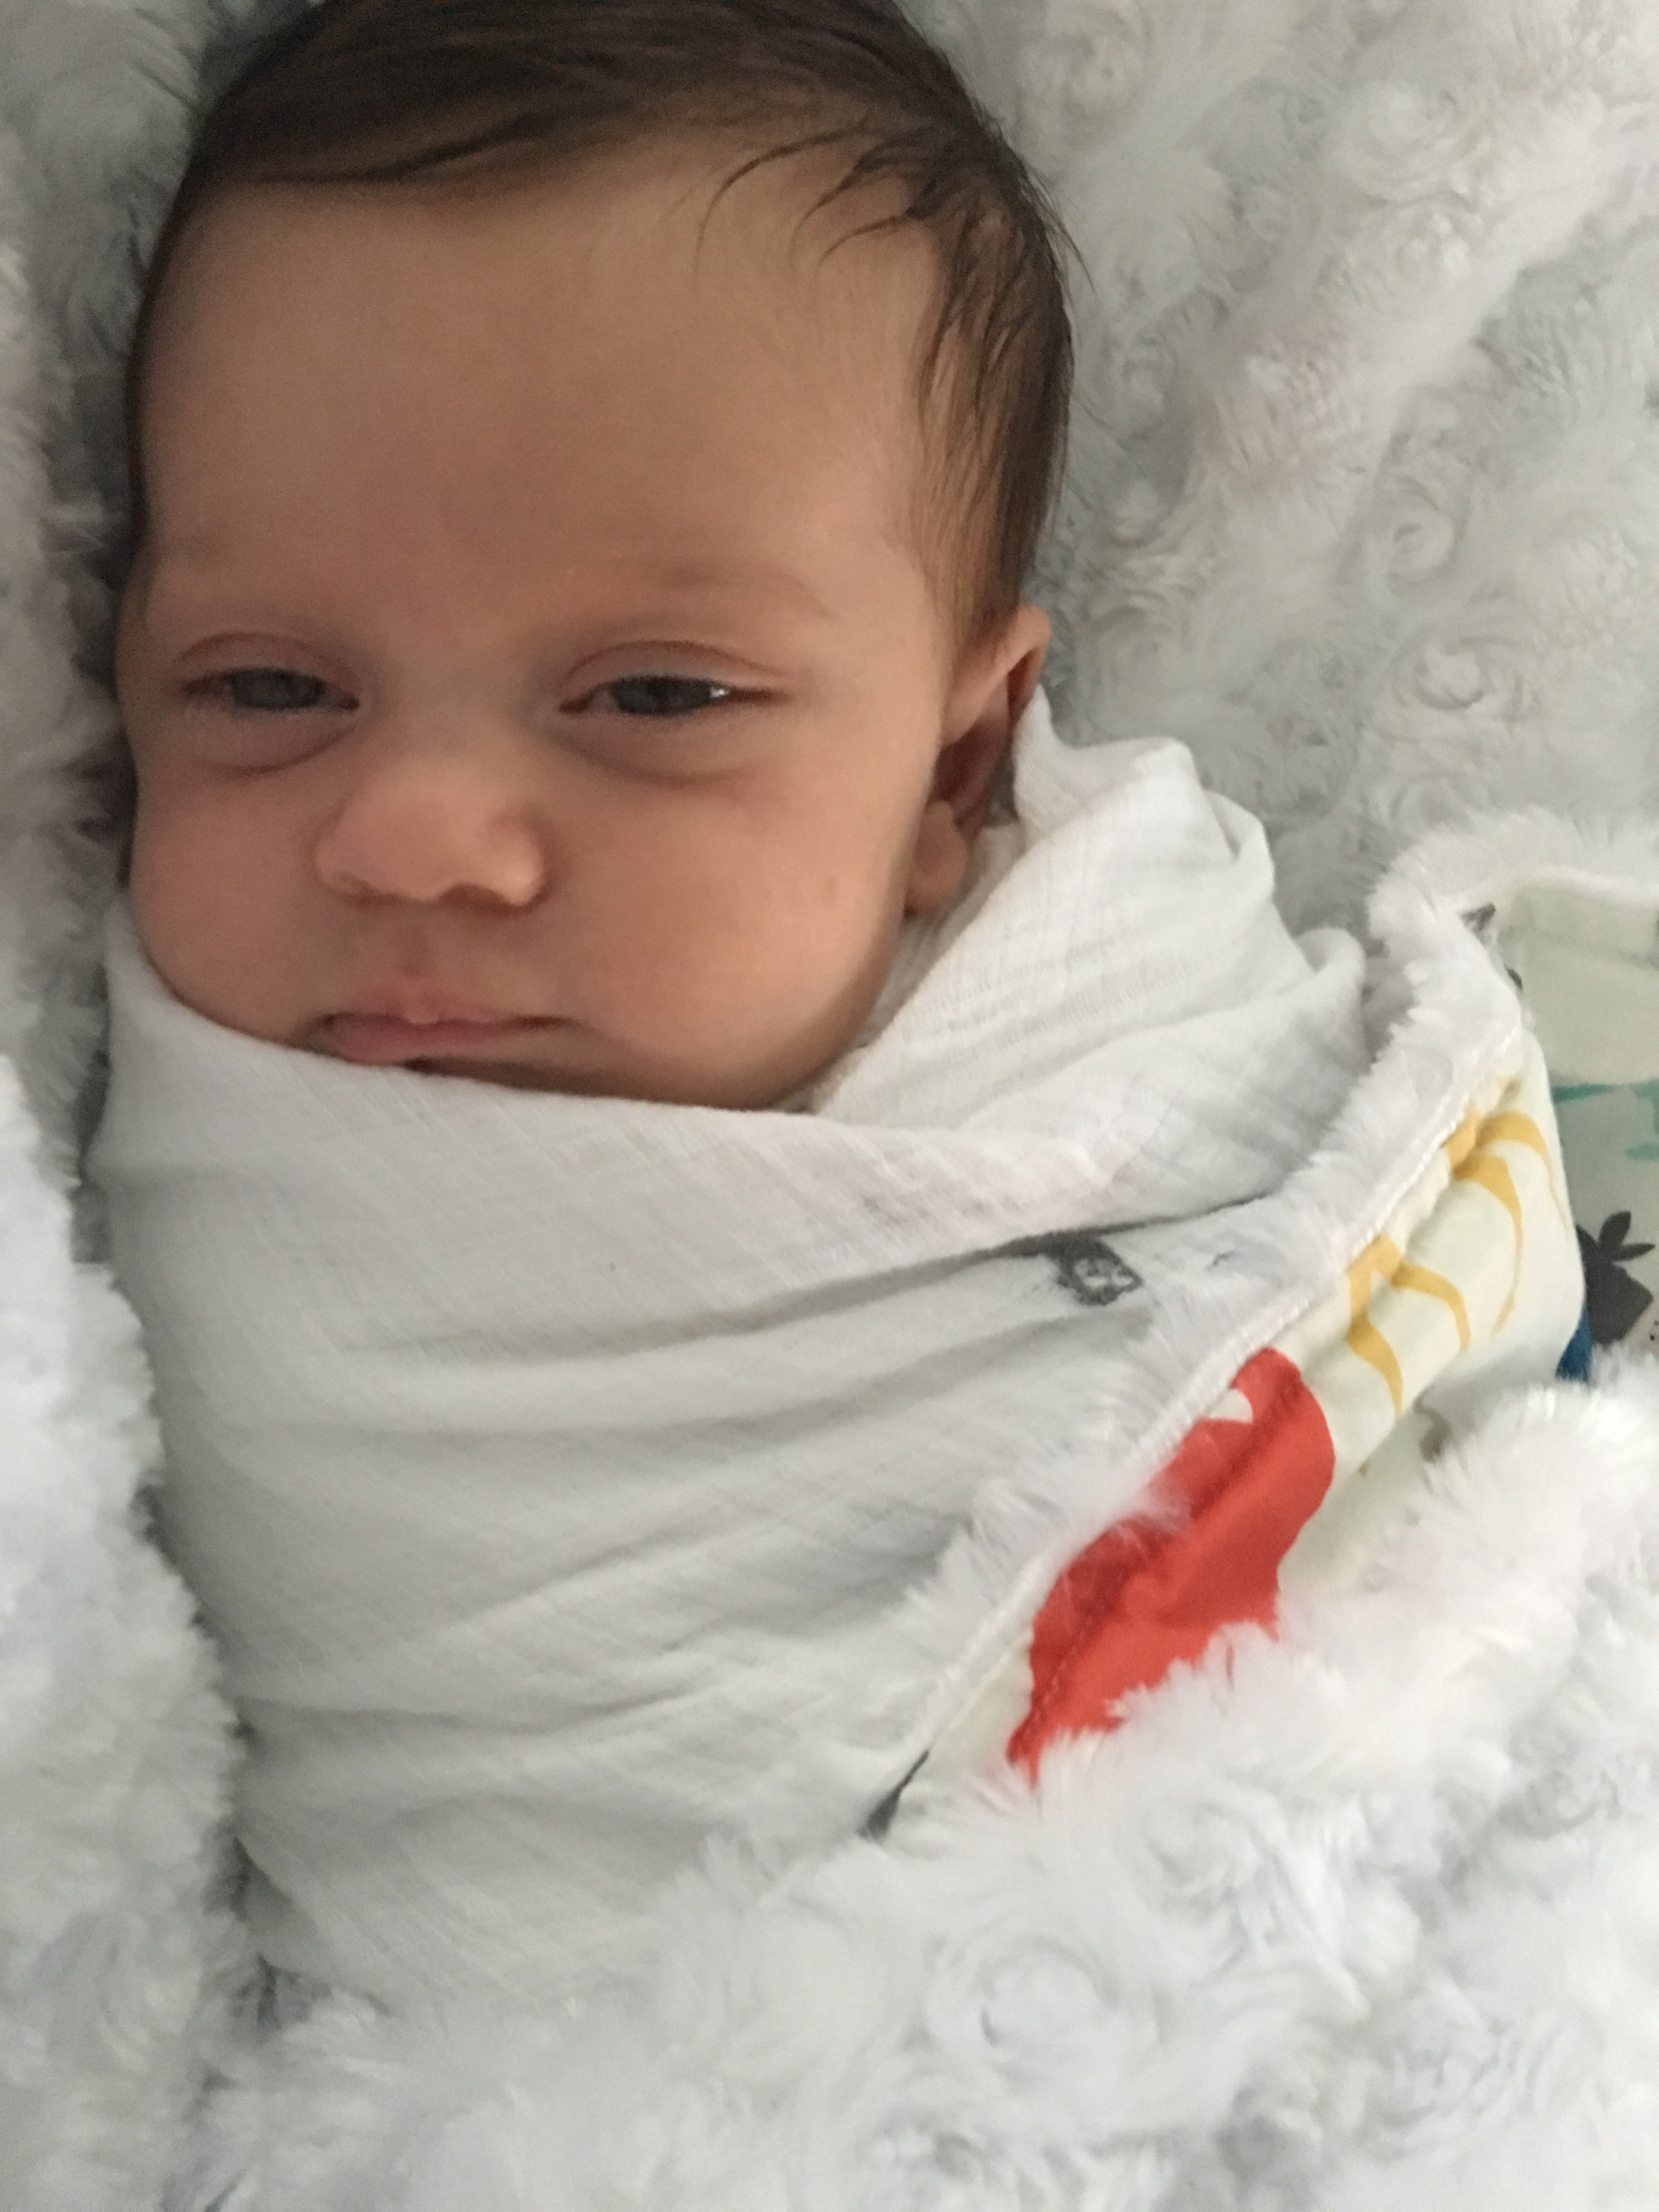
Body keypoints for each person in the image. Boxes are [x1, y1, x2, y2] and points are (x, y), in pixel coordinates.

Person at [88, 0, 1576, 2026]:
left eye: (656, 697)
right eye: (268, 688)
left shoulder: (1142, 1047)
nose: (412, 838)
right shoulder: (139, 1150)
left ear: (953, 773)